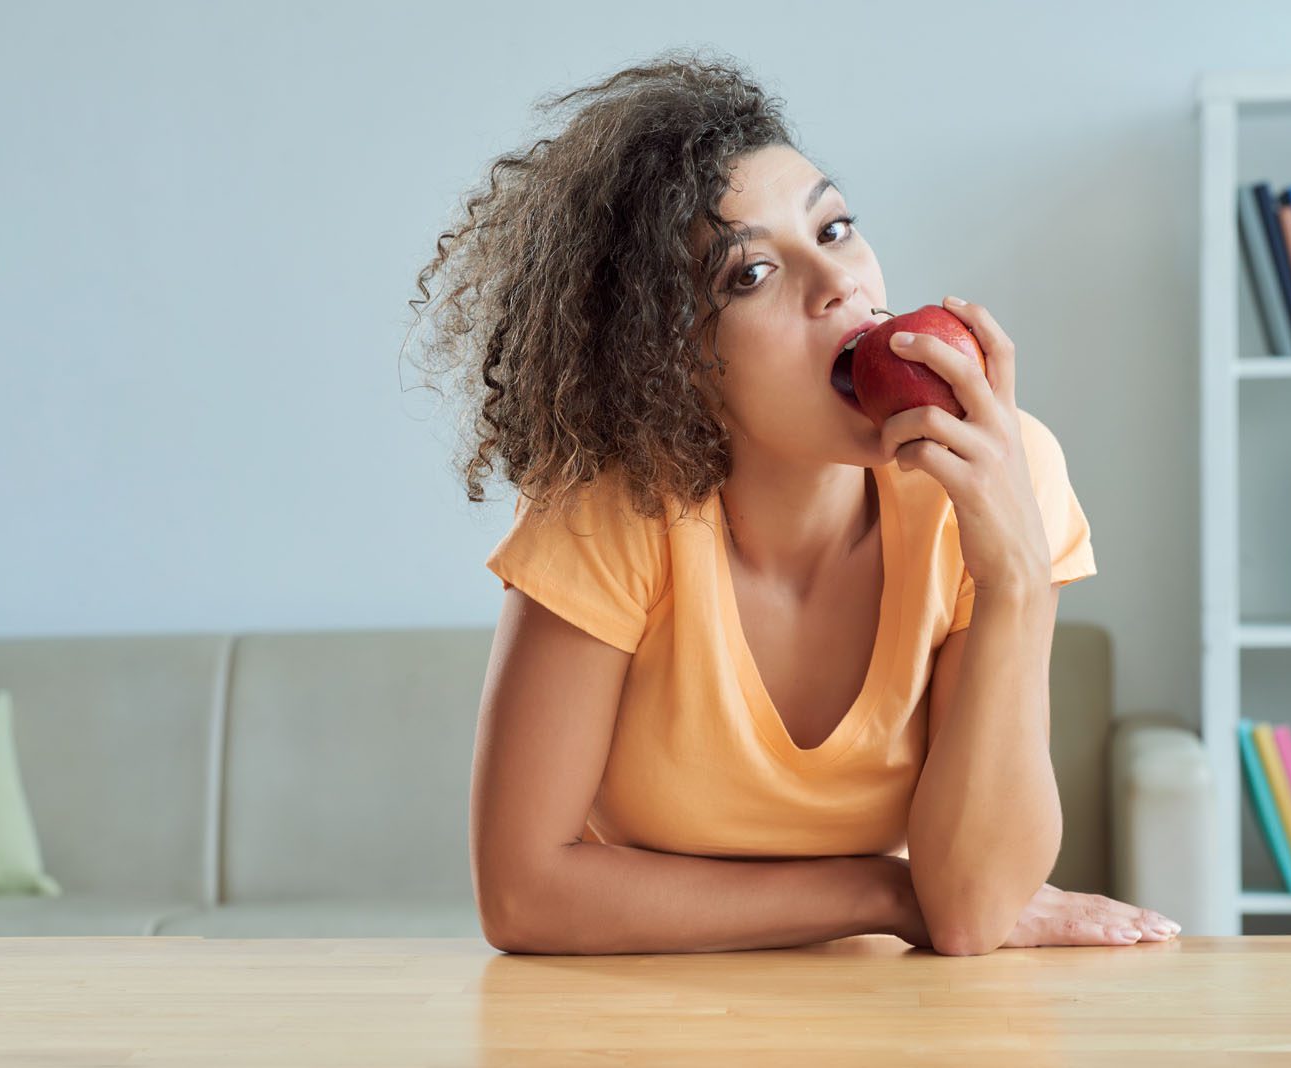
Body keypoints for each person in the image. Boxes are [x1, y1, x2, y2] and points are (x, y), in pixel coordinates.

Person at [402, 47, 1179, 955]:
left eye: (835, 229)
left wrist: (1012, 574)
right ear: (669, 361)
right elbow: (524, 896)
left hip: (888, 1018)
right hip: (633, 1019)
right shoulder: (613, 513)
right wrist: (884, 892)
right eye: (750, 275)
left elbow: (968, 915)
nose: (838, 284)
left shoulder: (1001, 477)